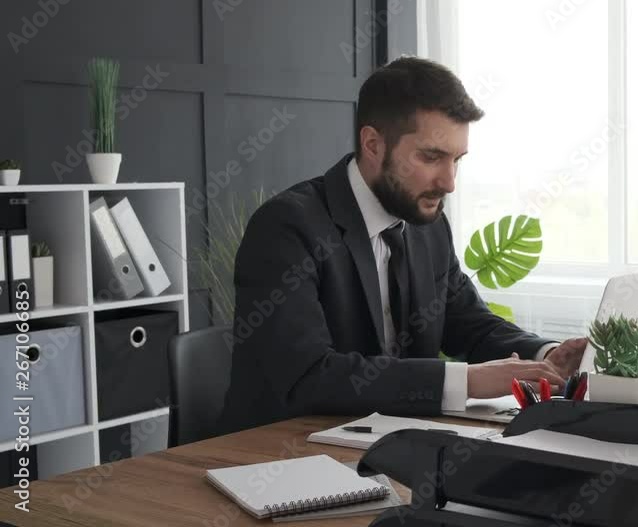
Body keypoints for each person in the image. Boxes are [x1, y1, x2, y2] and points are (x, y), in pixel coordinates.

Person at [220, 57, 587, 432]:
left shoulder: (428, 225)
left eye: (457, 160)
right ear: (373, 144)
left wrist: (546, 356)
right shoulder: (286, 227)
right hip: (275, 451)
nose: (449, 182)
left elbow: (469, 323)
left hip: (388, 445)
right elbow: (308, 376)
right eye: (431, 157)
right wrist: (467, 381)